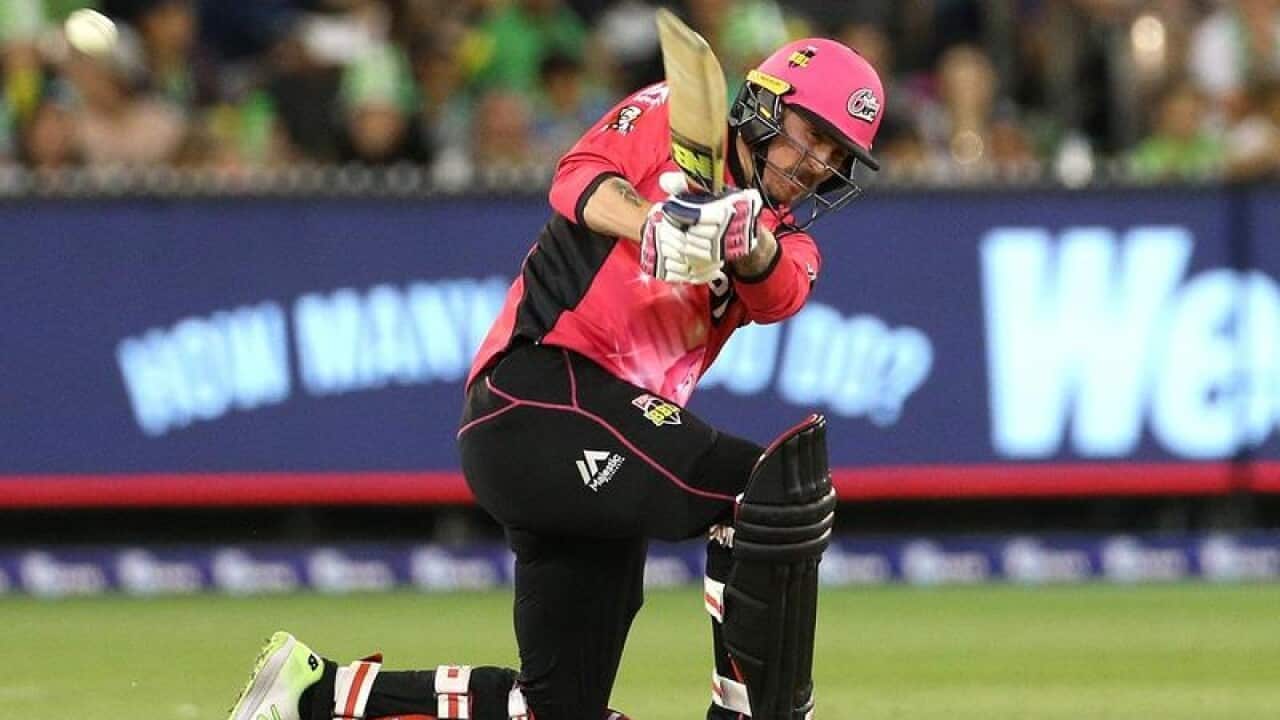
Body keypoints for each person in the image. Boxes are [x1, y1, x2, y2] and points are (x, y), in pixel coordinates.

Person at [227, 34, 885, 720]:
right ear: (767, 105)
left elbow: (778, 293)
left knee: (554, 710)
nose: (820, 165)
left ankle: (309, 694)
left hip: (604, 436)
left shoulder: (789, 238)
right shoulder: (667, 115)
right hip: (536, 394)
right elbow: (577, 179)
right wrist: (650, 225)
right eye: (816, 137)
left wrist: (743, 239)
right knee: (766, 491)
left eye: (840, 156)